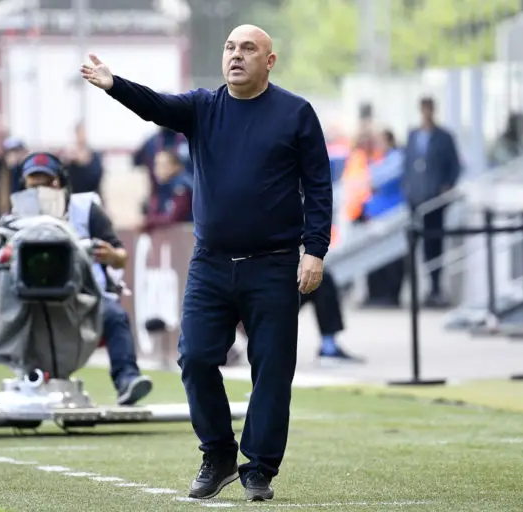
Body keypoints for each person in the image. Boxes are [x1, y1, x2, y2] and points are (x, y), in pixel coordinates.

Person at [81, 23, 332, 502]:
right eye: (230, 47)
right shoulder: (203, 107)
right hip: (211, 263)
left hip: (274, 264)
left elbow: (319, 186)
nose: (236, 55)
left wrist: (314, 250)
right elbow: (156, 105)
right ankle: (218, 454)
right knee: (195, 357)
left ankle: (260, 468)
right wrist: (115, 85)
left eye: (248, 49)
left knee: (272, 369)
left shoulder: (296, 113)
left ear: (269, 61)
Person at [18, 152, 154, 406]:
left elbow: (120, 256)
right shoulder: (16, 217)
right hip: (33, 299)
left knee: (115, 316)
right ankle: (28, 380)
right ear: (24, 185)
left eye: (47, 182)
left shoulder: (86, 210)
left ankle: (127, 378)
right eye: (34, 184)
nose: (41, 190)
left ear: (60, 182)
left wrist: (112, 255)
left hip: (85, 299)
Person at [402, 97, 461, 309]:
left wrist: (447, 185)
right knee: (418, 245)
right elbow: (407, 165)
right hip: (417, 199)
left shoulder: (444, 137)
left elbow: (455, 165)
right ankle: (422, 287)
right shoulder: (413, 136)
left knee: (435, 243)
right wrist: (408, 190)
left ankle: (436, 287)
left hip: (434, 199)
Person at [362, 129, 405, 307]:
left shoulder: (397, 158)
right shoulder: (380, 159)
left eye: (381, 141)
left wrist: (371, 178)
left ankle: (391, 295)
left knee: (392, 259)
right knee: (374, 257)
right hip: (376, 214)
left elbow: (377, 180)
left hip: (391, 214)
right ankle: (376, 294)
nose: (378, 145)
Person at [141, 149, 194, 232]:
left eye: (163, 165)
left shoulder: (181, 186)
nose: (158, 169)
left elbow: (173, 218)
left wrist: (148, 222)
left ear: (176, 167)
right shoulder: (163, 186)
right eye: (156, 165)